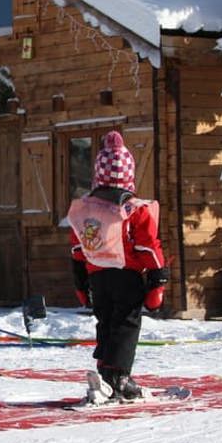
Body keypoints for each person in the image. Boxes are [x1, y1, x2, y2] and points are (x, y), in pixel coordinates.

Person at [66, 131, 169, 401]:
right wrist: (159, 277)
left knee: (106, 322)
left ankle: (104, 375)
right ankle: (119, 377)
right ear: (129, 174)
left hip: (97, 277)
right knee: (126, 324)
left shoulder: (86, 210)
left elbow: (77, 249)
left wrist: (79, 281)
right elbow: (148, 245)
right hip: (127, 276)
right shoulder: (135, 209)